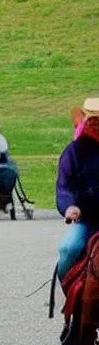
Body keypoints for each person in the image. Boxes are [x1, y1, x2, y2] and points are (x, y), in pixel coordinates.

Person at [57, 97, 99, 280]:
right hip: (88, 221)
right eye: (93, 120)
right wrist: (70, 206)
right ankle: (66, 290)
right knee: (69, 247)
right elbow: (64, 186)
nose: (96, 125)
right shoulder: (73, 152)